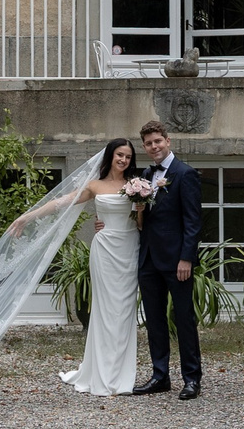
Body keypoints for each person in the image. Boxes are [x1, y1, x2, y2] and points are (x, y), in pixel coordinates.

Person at [53, 139, 144, 397]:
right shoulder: (95, 185)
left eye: (128, 156)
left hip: (129, 249)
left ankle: (120, 375)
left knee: (125, 311)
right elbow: (65, 201)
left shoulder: (137, 186)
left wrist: (140, 210)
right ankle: (101, 373)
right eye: (119, 154)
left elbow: (141, 226)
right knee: (105, 311)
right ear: (110, 156)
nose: (123, 160)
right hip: (104, 251)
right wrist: (29, 216)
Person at [131, 121, 203, 401]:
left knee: (184, 318)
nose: (153, 147)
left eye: (157, 141)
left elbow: (193, 222)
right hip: (148, 259)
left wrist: (186, 258)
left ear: (168, 141)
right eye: (148, 143)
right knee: (155, 320)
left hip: (176, 262)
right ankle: (160, 376)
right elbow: (144, 219)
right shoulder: (146, 175)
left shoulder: (185, 174)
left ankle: (192, 378)